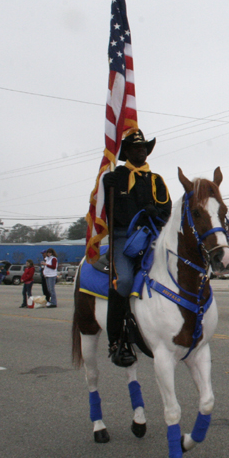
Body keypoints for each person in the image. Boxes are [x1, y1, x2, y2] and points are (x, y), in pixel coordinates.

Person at [102, 128, 171, 367]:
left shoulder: (156, 180)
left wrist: (156, 213)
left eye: (143, 148)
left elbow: (167, 211)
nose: (140, 152)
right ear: (127, 152)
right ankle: (116, 341)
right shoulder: (116, 177)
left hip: (151, 237)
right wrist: (104, 187)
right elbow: (102, 212)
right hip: (123, 238)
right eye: (135, 148)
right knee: (122, 281)